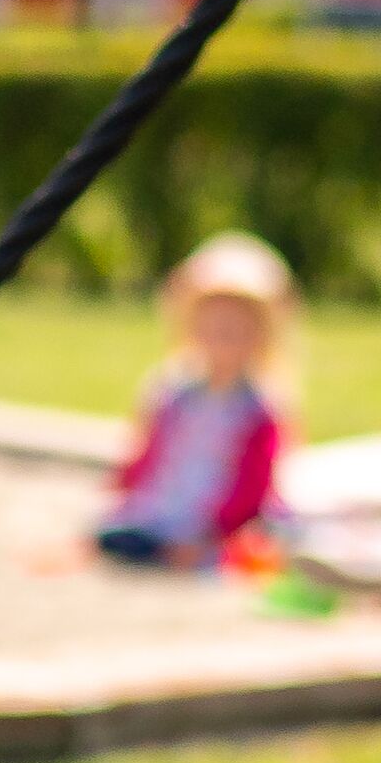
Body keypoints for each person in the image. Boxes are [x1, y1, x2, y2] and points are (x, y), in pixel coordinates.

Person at [95, 232, 295, 568]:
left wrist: (220, 528)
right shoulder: (175, 390)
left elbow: (255, 480)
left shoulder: (257, 406)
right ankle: (158, 545)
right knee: (115, 534)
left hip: (216, 517)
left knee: (252, 547)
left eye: (236, 329)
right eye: (214, 326)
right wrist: (126, 483)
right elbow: (151, 451)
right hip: (166, 506)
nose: (223, 337)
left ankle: (191, 549)